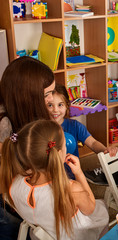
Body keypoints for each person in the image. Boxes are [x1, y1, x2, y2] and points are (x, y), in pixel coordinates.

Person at [0, 120, 109, 240]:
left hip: (43, 232)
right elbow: (91, 208)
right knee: (101, 207)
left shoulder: (14, 183)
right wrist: (79, 173)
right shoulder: (71, 189)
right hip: (74, 235)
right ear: (59, 153)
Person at [0, 56, 55, 240]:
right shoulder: (4, 124)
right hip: (10, 202)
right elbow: (6, 184)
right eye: (47, 94)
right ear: (28, 97)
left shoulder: (27, 113)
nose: (52, 99)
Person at [47, 84, 118, 182]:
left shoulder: (75, 126)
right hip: (50, 178)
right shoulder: (42, 129)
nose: (55, 110)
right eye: (50, 105)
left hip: (73, 176)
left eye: (60, 105)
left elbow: (93, 143)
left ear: (67, 106)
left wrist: (105, 149)